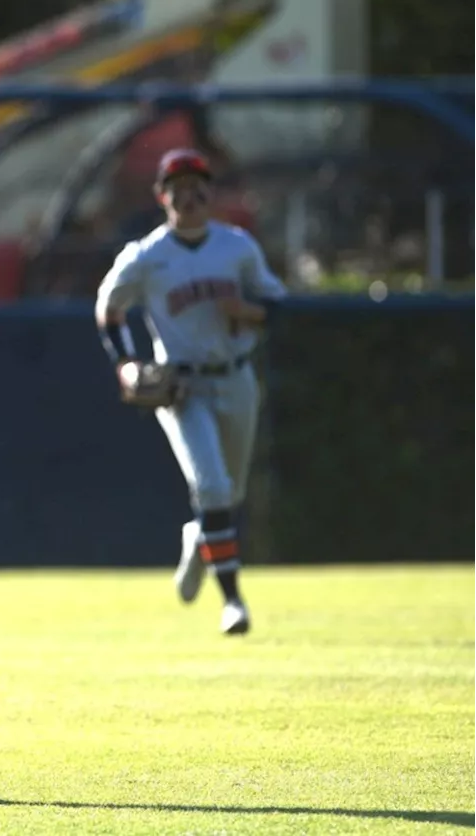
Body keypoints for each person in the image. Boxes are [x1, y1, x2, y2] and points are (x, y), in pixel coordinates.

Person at [94, 149, 288, 636]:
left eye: (196, 185)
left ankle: (199, 536)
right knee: (215, 488)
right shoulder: (147, 255)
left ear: (211, 193)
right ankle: (233, 603)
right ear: (162, 197)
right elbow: (108, 310)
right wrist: (127, 363)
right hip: (181, 386)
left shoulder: (237, 247)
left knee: (230, 495)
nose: (188, 195)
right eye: (176, 187)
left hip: (237, 376)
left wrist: (245, 310)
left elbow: (276, 305)